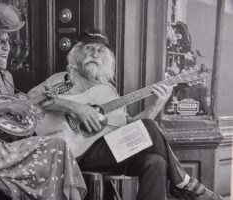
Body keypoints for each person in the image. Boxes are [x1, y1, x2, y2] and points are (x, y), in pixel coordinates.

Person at [28, 29, 222, 200]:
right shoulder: (64, 79)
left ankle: (182, 183)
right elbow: (33, 97)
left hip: (107, 151)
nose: (94, 54)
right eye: (89, 48)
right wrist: (77, 108)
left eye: (100, 50)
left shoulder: (108, 90)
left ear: (107, 58)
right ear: (78, 53)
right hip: (73, 152)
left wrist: (158, 103)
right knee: (149, 129)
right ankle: (185, 184)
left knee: (155, 161)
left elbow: (131, 127)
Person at [0, 3, 86, 200]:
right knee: (57, 146)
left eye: (8, 42)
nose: (8, 48)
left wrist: (38, 108)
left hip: (5, 146)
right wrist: (9, 105)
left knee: (58, 149)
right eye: (1, 42)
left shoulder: (7, 77)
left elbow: (10, 124)